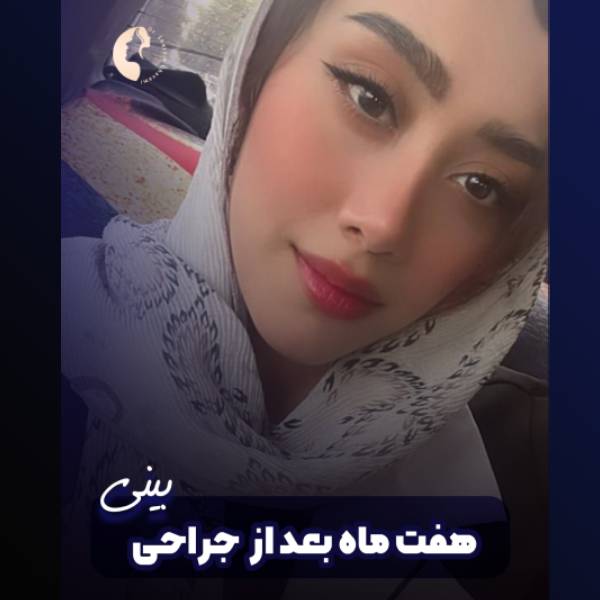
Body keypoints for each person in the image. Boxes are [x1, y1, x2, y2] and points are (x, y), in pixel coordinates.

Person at [61, 0, 547, 595]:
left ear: (505, 258)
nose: (384, 224)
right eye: (370, 97)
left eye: (481, 185)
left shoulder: (479, 527)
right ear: (257, 67)